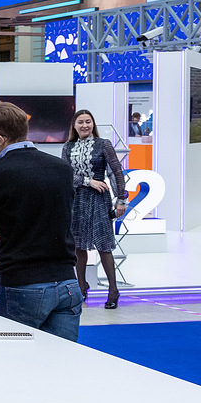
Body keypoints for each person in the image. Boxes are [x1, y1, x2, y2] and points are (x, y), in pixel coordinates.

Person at [0, 102, 82, 341]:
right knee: (62, 359)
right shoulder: (62, 168)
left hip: (22, 284)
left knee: (11, 358)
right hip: (68, 283)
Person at [62, 109, 128, 310]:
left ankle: (113, 290)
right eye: (80, 122)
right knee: (78, 246)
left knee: (103, 245)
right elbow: (66, 175)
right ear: (74, 126)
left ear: (93, 124)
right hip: (76, 200)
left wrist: (121, 199)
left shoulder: (103, 144)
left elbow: (116, 171)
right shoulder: (68, 147)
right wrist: (88, 181)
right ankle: (81, 287)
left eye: (88, 121)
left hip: (99, 199)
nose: (84, 125)